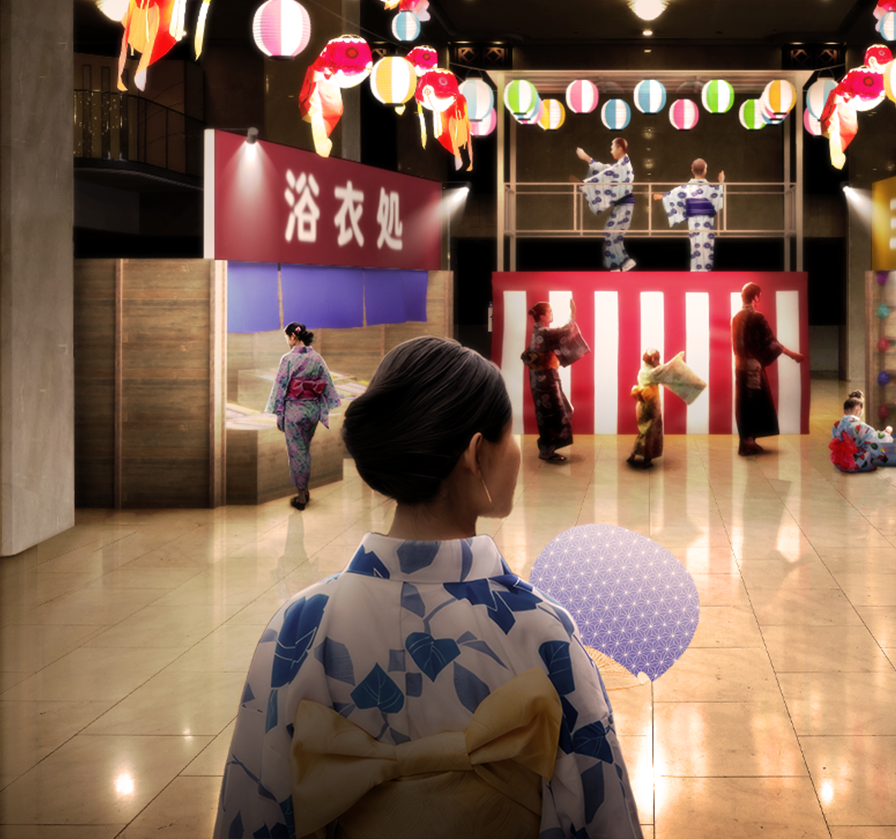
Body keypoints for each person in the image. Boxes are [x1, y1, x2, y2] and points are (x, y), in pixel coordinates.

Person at [215, 337, 641, 839]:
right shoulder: (540, 629)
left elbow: (254, 809)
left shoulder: (299, 626)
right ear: (476, 453)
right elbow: (602, 816)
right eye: (510, 434)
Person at [266, 322, 341, 510]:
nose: (286, 341)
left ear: (293, 336)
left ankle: (301, 497)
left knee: (296, 452)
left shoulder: (288, 359)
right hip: (312, 411)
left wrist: (278, 413)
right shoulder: (317, 358)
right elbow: (327, 383)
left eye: (286, 337)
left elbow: (280, 387)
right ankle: (305, 489)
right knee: (304, 450)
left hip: (294, 412)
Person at [732, 281, 807, 455]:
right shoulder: (757, 317)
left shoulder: (735, 318)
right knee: (754, 402)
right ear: (756, 296)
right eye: (759, 295)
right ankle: (748, 442)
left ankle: (746, 442)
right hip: (752, 367)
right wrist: (793, 355)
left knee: (743, 402)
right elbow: (772, 343)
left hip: (739, 366)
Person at [523, 298, 589, 464]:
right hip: (544, 380)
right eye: (550, 311)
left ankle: (547, 447)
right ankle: (546, 450)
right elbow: (565, 330)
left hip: (547, 377)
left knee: (564, 410)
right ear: (543, 317)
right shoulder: (543, 332)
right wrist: (572, 314)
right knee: (552, 415)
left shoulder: (541, 331)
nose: (552, 314)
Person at [654, 158, 725, 271]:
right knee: (707, 248)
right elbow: (720, 198)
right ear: (705, 170)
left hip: (694, 223)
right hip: (707, 223)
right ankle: (706, 272)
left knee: (696, 248)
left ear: (692, 170)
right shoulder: (711, 189)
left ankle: (696, 273)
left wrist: (662, 197)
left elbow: (672, 196)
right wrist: (721, 182)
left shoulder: (686, 188)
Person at [577, 138, 636, 271]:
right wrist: (587, 158)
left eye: (612, 147)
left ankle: (622, 262)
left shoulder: (623, 165)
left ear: (619, 148)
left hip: (625, 204)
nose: (610, 150)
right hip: (623, 204)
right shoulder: (622, 164)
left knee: (610, 233)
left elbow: (605, 173)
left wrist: (585, 185)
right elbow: (606, 169)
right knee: (614, 234)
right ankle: (621, 263)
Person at [829, 390, 892, 472]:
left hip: (838, 462)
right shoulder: (861, 427)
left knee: (866, 439)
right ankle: (873, 463)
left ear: (845, 411)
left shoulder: (836, 425)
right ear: (858, 410)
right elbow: (877, 438)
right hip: (854, 464)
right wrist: (887, 432)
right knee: (873, 442)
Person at [628, 349, 666, 469]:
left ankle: (633, 455)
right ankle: (647, 459)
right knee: (651, 430)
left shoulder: (643, 371)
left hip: (642, 404)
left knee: (644, 430)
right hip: (652, 403)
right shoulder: (653, 373)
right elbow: (664, 376)